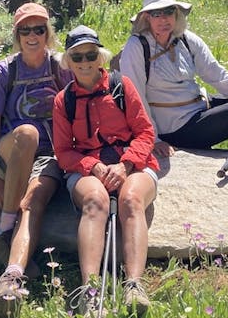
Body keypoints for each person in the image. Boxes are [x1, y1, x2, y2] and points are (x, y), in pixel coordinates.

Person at [52, 25, 158, 318]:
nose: (84, 62)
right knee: (95, 201)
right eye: (77, 57)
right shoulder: (64, 100)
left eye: (90, 54)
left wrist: (125, 165)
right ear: (68, 62)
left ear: (100, 57)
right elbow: (63, 152)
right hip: (88, 166)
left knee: (131, 200)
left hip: (132, 162)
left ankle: (134, 285)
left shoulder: (121, 85)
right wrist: (93, 166)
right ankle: (90, 289)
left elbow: (146, 133)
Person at [0, 2, 72, 317]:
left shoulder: (60, 66)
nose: (32, 35)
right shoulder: (3, 71)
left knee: (33, 202)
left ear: (48, 33)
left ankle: (10, 279)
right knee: (27, 133)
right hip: (14, 145)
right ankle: (6, 228)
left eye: (38, 29)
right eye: (25, 30)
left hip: (51, 156)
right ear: (16, 34)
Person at [119, 0, 228, 158]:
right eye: (157, 13)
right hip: (173, 128)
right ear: (147, 17)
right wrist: (153, 139)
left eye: (169, 11)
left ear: (176, 13)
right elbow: (135, 97)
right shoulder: (136, 47)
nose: (164, 19)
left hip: (198, 109)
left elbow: (215, 72)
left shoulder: (185, 39)